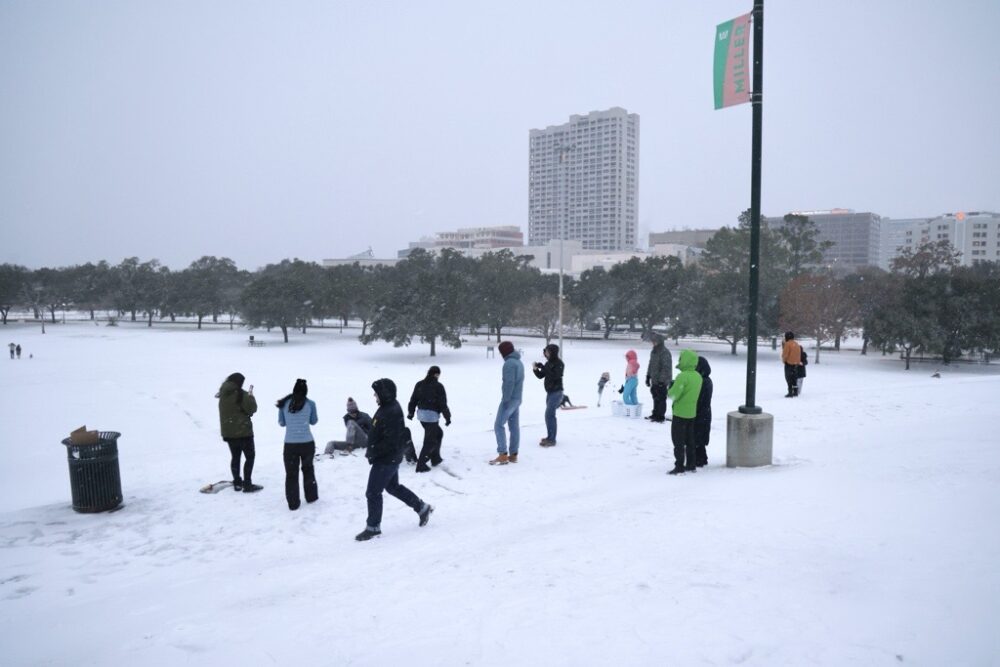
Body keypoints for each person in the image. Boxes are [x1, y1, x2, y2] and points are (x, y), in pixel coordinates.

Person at [355, 378, 433, 541]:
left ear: (384, 394)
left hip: (386, 460)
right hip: (389, 458)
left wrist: (374, 450)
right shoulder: (387, 407)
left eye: (376, 393)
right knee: (393, 487)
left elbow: (391, 441)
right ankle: (422, 508)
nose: (374, 396)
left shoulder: (390, 411)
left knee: (373, 492)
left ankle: (373, 527)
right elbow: (383, 432)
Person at [277, 379, 318, 510]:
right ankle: (311, 497)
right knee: (308, 469)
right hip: (307, 443)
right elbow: (313, 421)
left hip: (290, 445)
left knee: (291, 474)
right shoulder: (311, 404)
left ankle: (293, 503)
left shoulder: (284, 404)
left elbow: (282, 423)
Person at [216, 372, 262, 492]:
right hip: (243, 432)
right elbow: (252, 408)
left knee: (235, 457)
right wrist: (251, 396)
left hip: (229, 433)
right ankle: (247, 484)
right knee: (250, 457)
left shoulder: (223, 394)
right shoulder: (241, 394)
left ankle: (237, 482)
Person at [407, 365, 452, 472]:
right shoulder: (438, 386)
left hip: (421, 416)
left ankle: (435, 458)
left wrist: (411, 413)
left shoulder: (419, 384)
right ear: (436, 374)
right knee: (430, 441)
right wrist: (447, 417)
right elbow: (443, 404)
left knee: (438, 433)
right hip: (431, 417)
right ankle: (421, 465)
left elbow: (413, 400)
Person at [667, 350, 703, 475]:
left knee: (678, 441)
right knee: (690, 440)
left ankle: (679, 466)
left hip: (680, 413)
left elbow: (673, 395)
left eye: (681, 359)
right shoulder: (698, 376)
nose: (679, 361)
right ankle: (691, 464)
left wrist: (670, 388)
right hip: (691, 413)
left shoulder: (682, 376)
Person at [491, 341, 524, 465]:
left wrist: (506, 399)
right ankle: (513, 454)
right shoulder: (519, 362)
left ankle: (503, 454)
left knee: (499, 425)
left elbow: (509, 383)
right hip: (517, 399)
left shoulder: (509, 364)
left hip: (509, 399)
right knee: (514, 427)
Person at [532, 343, 564, 448]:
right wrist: (536, 369)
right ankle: (550, 437)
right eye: (545, 351)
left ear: (552, 352)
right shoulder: (548, 363)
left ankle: (552, 439)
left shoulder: (559, 363)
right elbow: (541, 376)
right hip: (550, 393)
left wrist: (544, 368)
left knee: (550, 415)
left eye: (547, 351)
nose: (545, 353)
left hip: (557, 392)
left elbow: (555, 376)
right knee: (548, 416)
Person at [645, 333, 673, 422]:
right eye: (653, 342)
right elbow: (651, 364)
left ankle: (660, 416)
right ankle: (655, 413)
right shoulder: (654, 352)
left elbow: (666, 368)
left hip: (662, 381)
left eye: (655, 342)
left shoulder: (665, 352)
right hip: (654, 379)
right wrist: (648, 376)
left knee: (661, 398)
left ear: (660, 342)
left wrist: (662, 381)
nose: (653, 343)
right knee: (655, 396)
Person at [694, 356, 713, 468]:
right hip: (704, 412)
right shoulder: (707, 380)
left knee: (698, 436)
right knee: (700, 437)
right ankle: (702, 458)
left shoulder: (703, 381)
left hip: (701, 413)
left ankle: (700, 459)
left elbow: (699, 398)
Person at [782, 331, 804, 397]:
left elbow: (785, 354)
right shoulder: (796, 344)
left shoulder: (787, 344)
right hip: (796, 364)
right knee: (794, 378)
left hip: (789, 363)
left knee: (788, 378)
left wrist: (784, 360)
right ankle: (795, 391)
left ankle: (790, 392)